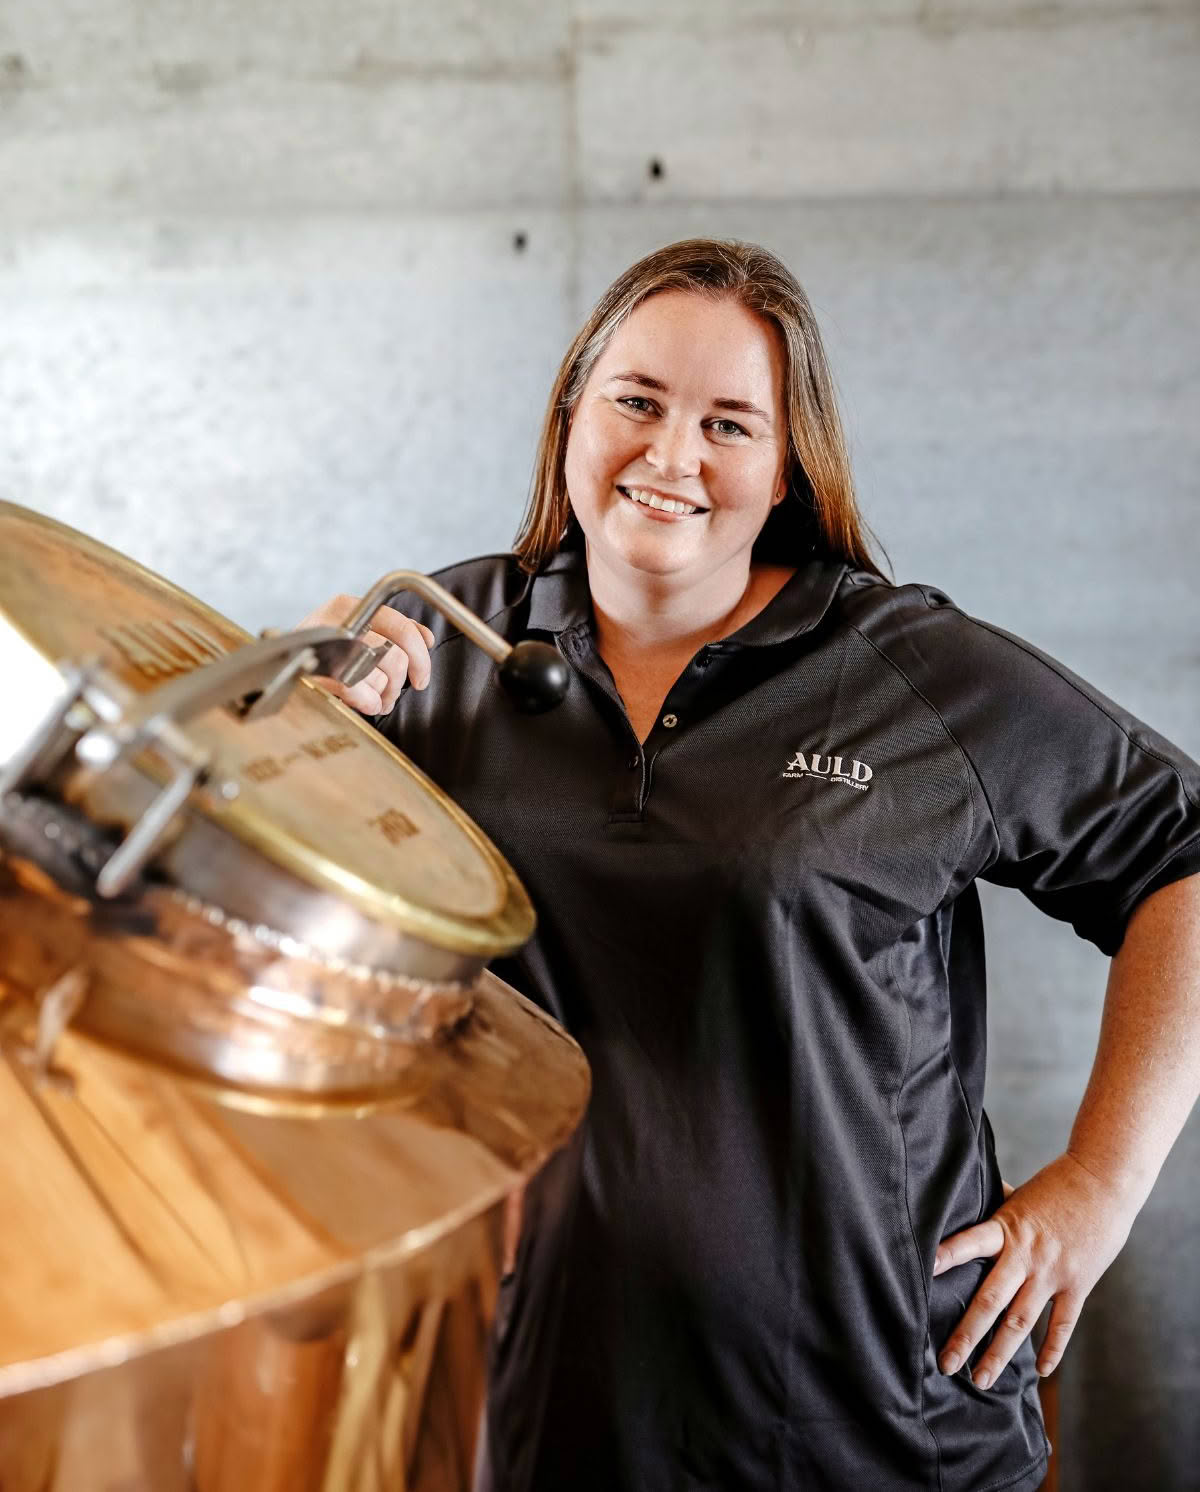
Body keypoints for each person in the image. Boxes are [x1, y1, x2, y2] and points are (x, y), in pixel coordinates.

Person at [306, 239, 1200, 1492]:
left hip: (875, 1419)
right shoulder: (437, 647)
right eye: (636, 401)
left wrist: (1101, 1187)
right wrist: (287, 739)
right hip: (543, 1409)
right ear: (571, 413)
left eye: (728, 423)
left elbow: (1182, 855)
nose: (671, 456)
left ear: (785, 469)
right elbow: (252, 943)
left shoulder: (907, 673)